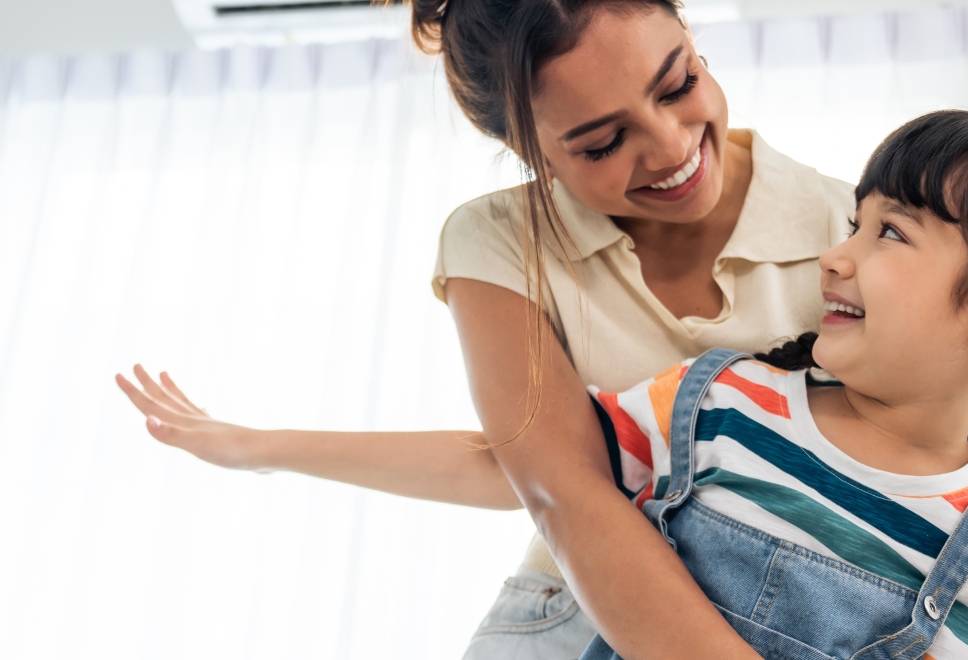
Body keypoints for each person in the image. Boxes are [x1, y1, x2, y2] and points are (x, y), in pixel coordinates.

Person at [115, 0, 846, 657]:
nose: (668, 148)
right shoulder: (502, 241)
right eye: (600, 144)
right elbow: (553, 482)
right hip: (580, 612)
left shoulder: (852, 225)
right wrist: (260, 448)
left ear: (691, 36)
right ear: (534, 155)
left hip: (832, 610)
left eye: (679, 84)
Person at [575, 109, 968, 659]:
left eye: (891, 233)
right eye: (856, 225)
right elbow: (544, 467)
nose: (834, 256)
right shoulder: (720, 404)